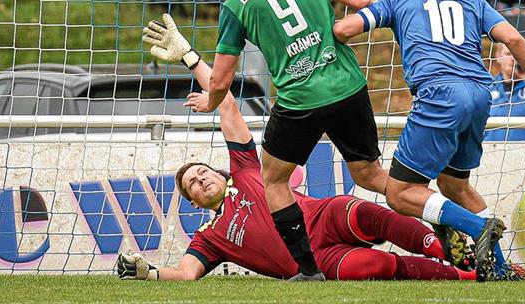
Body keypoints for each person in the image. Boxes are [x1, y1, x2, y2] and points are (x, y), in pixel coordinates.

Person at [123, 14, 480, 282]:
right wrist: (148, 273)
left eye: (202, 173)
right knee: (379, 265)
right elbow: (185, 275)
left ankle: (455, 251)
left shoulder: (246, 169)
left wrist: (189, 56)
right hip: (316, 261)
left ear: (218, 171)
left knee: (373, 215)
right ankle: (469, 277)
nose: (202, 181)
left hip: (324, 217)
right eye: (194, 186)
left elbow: (227, 104)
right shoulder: (211, 238)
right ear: (195, 203)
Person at [333, 0, 525, 281]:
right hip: (480, 94)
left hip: (440, 95)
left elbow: (346, 30)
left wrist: (324, 27)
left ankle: (478, 227)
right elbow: (514, 38)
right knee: (455, 186)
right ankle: (502, 267)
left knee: (398, 193)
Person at [181, 0, 387, 281]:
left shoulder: (236, 5)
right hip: (347, 86)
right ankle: (439, 215)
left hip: (300, 102)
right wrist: (343, 29)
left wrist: (209, 103)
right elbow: (365, 0)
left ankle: (308, 271)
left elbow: (222, 80)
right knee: (372, 175)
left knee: (273, 181)